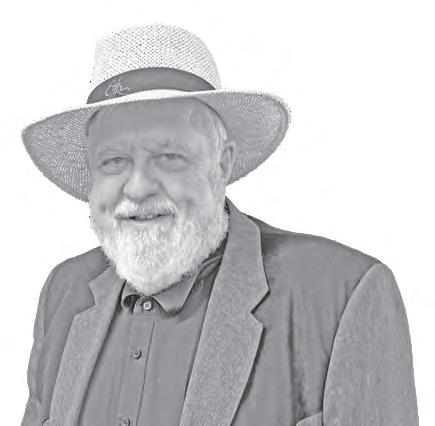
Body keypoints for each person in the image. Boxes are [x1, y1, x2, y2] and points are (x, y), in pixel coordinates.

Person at [20, 23, 419, 426]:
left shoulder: (339, 296)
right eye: (113, 161)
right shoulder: (63, 293)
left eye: (169, 156)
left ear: (222, 163)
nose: (138, 187)